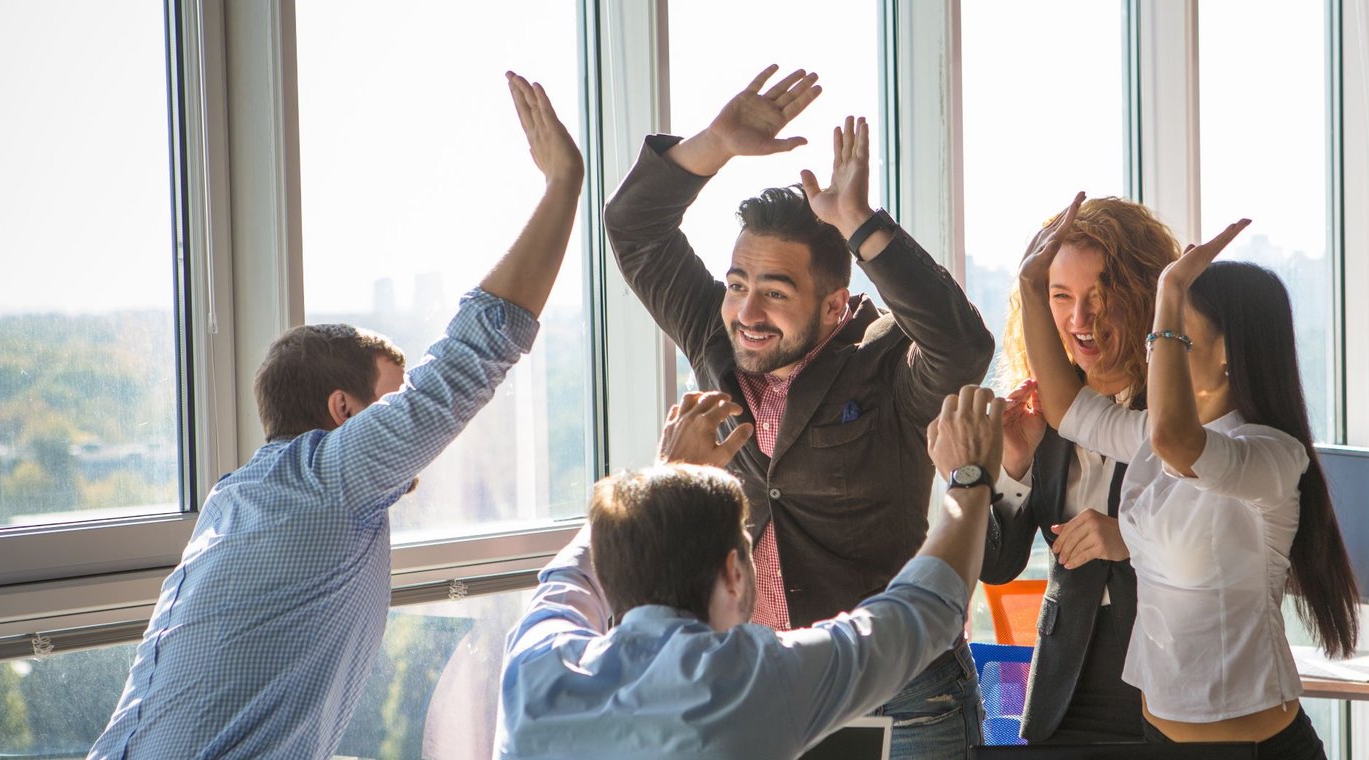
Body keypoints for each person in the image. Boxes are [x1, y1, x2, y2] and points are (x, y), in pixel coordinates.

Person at [89, 72, 584, 760]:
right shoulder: (328, 479)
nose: (408, 426)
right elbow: (476, 353)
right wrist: (564, 186)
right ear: (343, 410)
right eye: (392, 400)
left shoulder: (237, 499)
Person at [603, 64, 995, 755]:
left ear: (835, 304)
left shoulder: (881, 357)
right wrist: (716, 143)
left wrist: (860, 224)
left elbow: (962, 347)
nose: (747, 311)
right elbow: (634, 229)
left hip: (899, 687)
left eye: (776, 292)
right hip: (762, 680)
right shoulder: (718, 340)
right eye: (736, 284)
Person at [1016, 196, 1362, 756]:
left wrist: (1171, 291)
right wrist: (1033, 286)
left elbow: (1182, 444)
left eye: (1173, 337)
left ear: (1226, 351)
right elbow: (1066, 408)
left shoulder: (1270, 454)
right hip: (1160, 739)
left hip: (1254, 750)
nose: (1156, 352)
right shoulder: (1153, 436)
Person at [495, 387, 1004, 759]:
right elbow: (921, 613)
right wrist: (969, 479)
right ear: (734, 572)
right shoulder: (747, 681)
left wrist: (665, 477)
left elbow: (568, 576)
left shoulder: (534, 662)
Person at [980, 196, 1179, 744]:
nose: (1078, 320)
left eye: (1099, 297)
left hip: (1168, 674)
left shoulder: (1179, 409)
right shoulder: (1039, 410)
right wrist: (1012, 466)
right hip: (1063, 688)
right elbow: (997, 567)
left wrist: (1129, 540)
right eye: (1060, 297)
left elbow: (1223, 535)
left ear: (1143, 298)